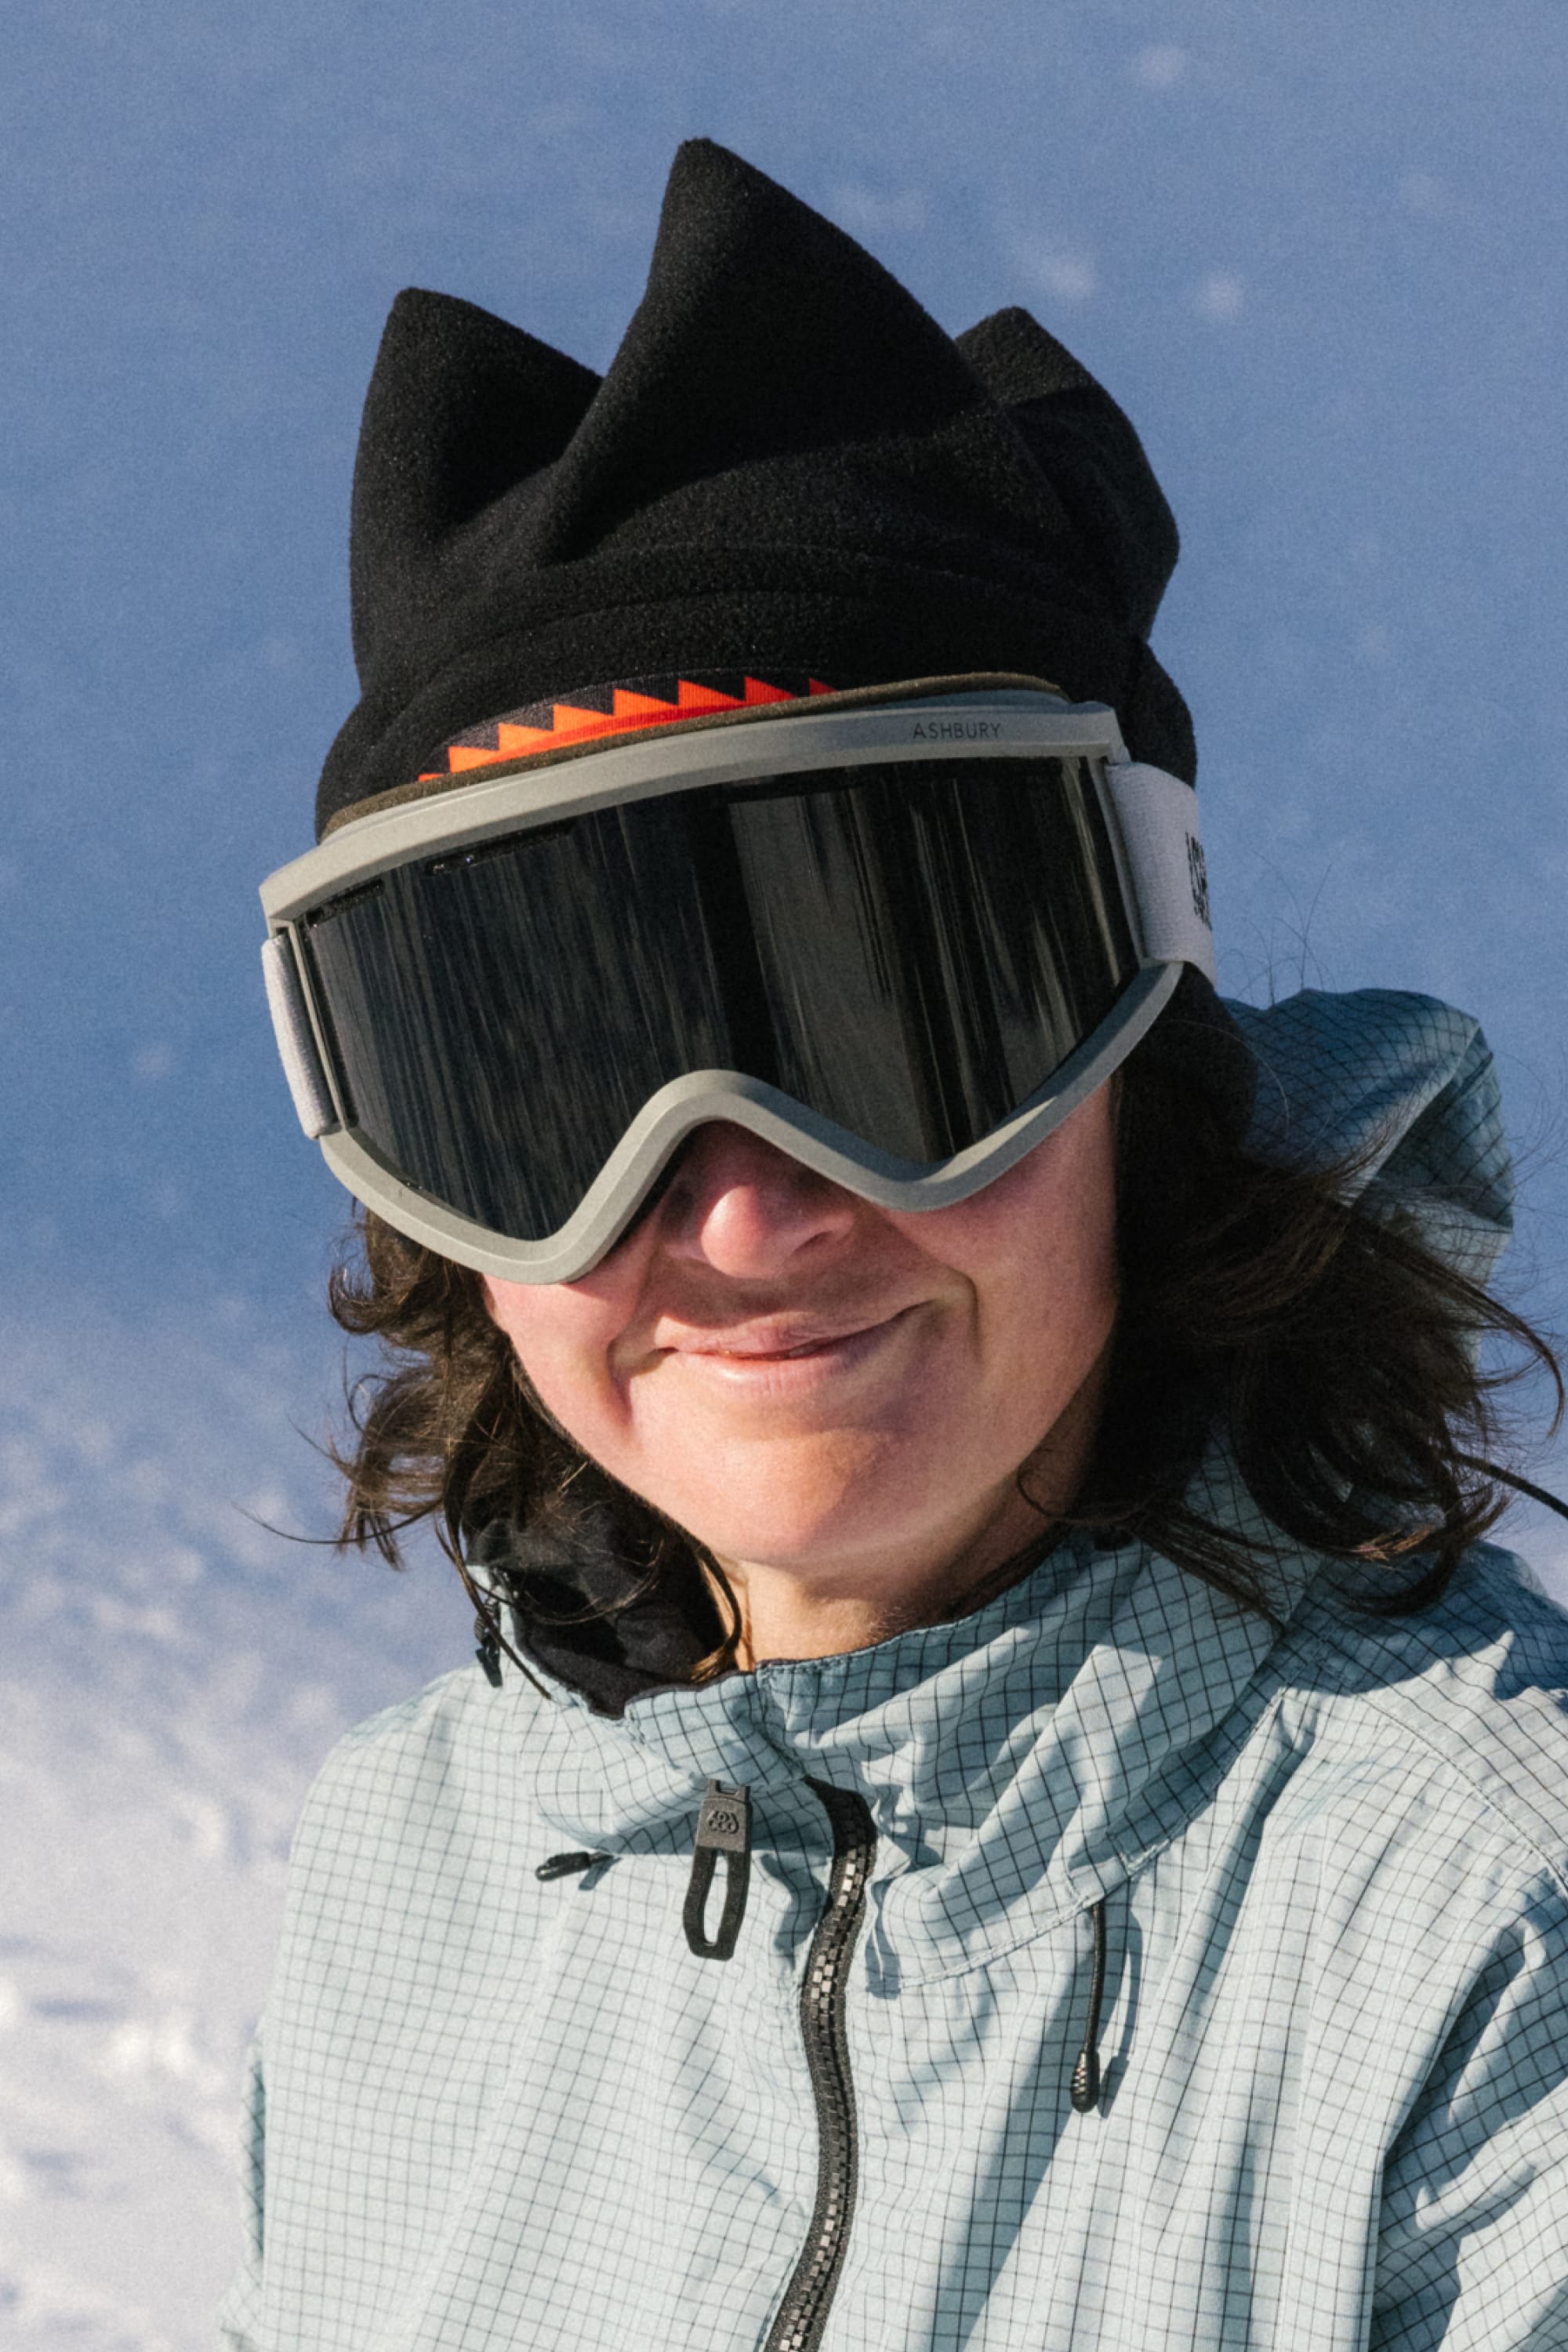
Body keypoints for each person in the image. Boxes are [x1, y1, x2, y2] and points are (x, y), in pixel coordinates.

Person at [227, 140, 1568, 2350]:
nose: (742, 1209)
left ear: (1146, 1049)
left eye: (899, 1015)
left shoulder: (1473, 1929)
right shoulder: (414, 1879)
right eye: (556, 1075)